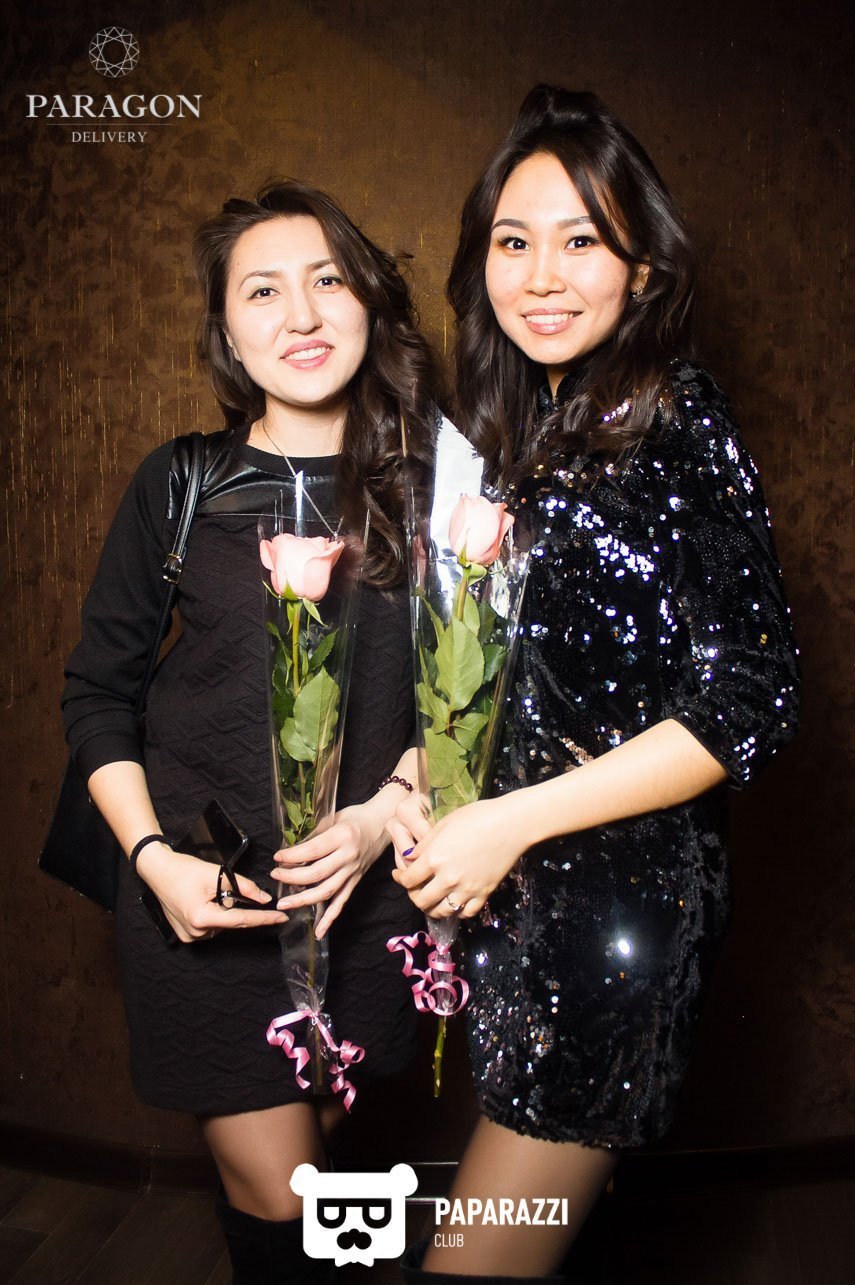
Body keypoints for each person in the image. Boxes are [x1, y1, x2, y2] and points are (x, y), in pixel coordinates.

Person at [389, 86, 800, 1283]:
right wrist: (428, 775)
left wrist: (505, 822)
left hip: (613, 919)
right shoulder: (539, 432)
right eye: (512, 241)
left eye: (580, 240)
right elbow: (539, 678)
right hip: (528, 906)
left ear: (641, 266)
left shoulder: (676, 419)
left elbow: (751, 699)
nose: (540, 276)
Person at [61, 179, 436, 1284]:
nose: (301, 314)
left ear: (370, 302)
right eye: (262, 291)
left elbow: (473, 706)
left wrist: (380, 819)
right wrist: (152, 861)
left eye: (328, 280)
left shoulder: (439, 488)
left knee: (330, 1164)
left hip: (371, 903)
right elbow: (98, 693)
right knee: (286, 1202)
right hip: (208, 899)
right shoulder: (181, 482)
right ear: (227, 331)